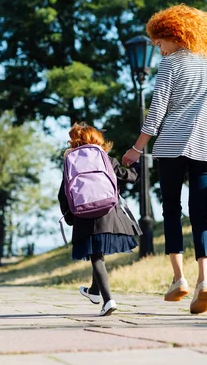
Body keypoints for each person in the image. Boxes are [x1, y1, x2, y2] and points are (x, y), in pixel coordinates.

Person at [122, 4, 207, 315]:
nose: (159, 50)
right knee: (200, 214)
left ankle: (179, 279)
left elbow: (157, 111)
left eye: (160, 43)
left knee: (172, 211)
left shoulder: (172, 65)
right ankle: (204, 282)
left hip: (171, 148)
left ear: (174, 34)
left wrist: (136, 149)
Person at [58, 123, 140, 316]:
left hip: (83, 213)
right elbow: (129, 177)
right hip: (108, 211)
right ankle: (95, 292)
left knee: (95, 256)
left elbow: (63, 194)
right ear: (96, 139)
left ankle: (108, 300)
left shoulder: (71, 161)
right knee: (98, 254)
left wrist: (70, 218)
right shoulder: (105, 158)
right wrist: (135, 165)